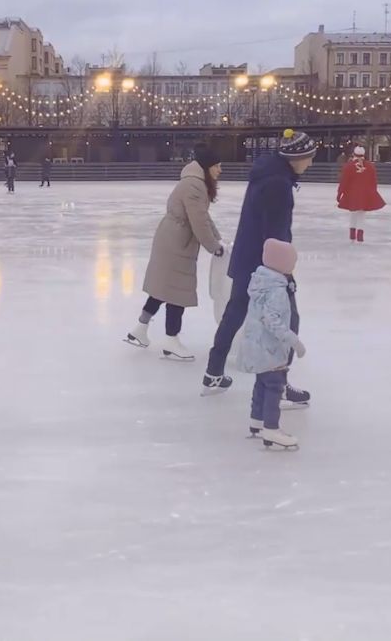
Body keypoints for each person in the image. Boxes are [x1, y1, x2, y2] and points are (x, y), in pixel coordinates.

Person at [203, 128, 317, 402]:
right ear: (296, 157)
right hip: (266, 265)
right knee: (288, 319)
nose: (311, 163)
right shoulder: (278, 183)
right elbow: (275, 234)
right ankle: (278, 387)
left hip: (247, 258)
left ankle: (213, 372)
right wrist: (284, 273)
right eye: (309, 157)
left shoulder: (267, 174)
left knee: (235, 312)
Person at [126, 146, 224, 362]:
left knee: (163, 287)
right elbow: (198, 221)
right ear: (207, 167)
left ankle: (140, 329)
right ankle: (171, 340)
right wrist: (213, 246)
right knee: (177, 291)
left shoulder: (194, 182)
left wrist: (218, 238)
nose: (220, 170)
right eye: (217, 166)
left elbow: (203, 216)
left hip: (173, 238)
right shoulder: (195, 186)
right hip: (177, 242)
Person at [233, 238, 304, 451]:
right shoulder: (277, 291)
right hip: (270, 348)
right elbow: (273, 321)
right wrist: (294, 341)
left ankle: (257, 421)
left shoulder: (261, 283)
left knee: (261, 383)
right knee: (274, 386)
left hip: (256, 346)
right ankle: (272, 429)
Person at [336, 145, 385, 243]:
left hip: (352, 194)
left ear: (354, 154)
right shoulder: (370, 166)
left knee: (353, 214)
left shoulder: (348, 166)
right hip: (365, 194)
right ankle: (360, 237)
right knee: (362, 216)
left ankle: (352, 237)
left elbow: (344, 182)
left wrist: (339, 193)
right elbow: (374, 182)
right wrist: (372, 193)